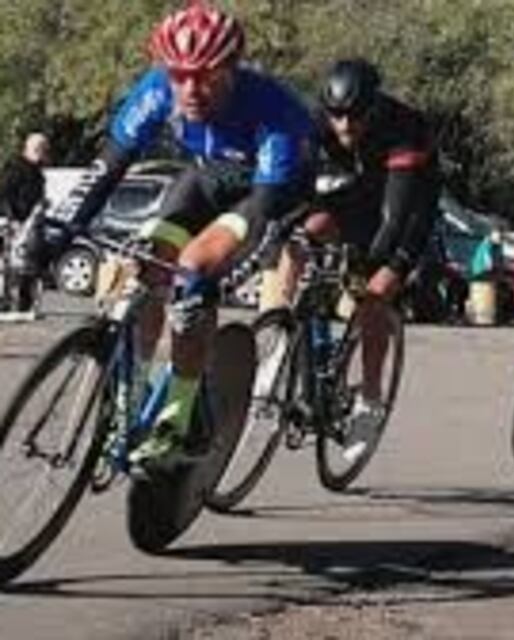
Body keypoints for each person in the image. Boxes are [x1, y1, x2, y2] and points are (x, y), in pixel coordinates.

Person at [34, 1, 315, 468]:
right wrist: (60, 232)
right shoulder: (158, 90)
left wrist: (230, 263)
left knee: (194, 269)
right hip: (211, 175)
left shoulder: (273, 110)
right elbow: (108, 166)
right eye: (178, 74)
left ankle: (176, 417)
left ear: (231, 68)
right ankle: (133, 389)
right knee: (147, 257)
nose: (190, 88)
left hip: (274, 187)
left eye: (205, 75)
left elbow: (264, 207)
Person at [266, 58, 440, 462]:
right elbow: (296, 188)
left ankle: (370, 400)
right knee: (301, 233)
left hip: (409, 207)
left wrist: (372, 267)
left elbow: (394, 219)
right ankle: (279, 342)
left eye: (354, 116)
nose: (344, 125)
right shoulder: (319, 120)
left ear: (373, 107)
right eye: (337, 115)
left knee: (374, 295)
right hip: (361, 192)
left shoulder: (403, 127)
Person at [0, 132, 50, 316]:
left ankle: (25, 305)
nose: (42, 152)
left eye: (44, 149)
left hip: (31, 223)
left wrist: (43, 204)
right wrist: (11, 220)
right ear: (29, 148)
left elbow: (35, 195)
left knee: (29, 264)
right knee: (12, 264)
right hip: (14, 223)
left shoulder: (38, 171)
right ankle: (6, 304)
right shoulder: (15, 167)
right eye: (40, 148)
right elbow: (4, 195)